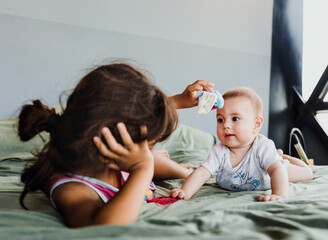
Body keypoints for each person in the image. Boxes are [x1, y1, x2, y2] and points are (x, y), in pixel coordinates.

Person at [17, 62, 214, 227]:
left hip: (127, 169)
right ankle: (174, 167)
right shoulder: (71, 189)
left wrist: (179, 100)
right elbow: (104, 228)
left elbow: (136, 116)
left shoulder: (107, 147)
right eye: (149, 143)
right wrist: (142, 168)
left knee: (152, 157)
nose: (148, 149)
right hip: (131, 171)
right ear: (111, 139)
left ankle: (186, 173)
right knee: (150, 158)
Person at [169, 87, 313, 202]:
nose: (226, 125)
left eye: (235, 118)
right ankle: (277, 156)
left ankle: (281, 157)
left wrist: (279, 195)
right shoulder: (219, 150)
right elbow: (202, 173)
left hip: (271, 175)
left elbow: (276, 171)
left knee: (306, 174)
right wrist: (185, 191)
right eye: (220, 120)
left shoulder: (262, 146)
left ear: (256, 125)